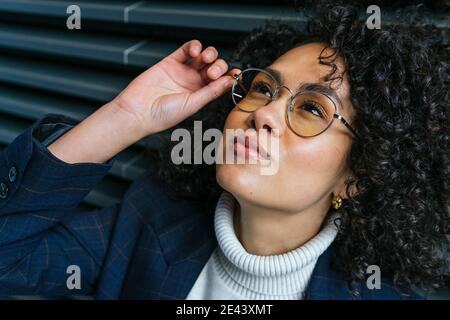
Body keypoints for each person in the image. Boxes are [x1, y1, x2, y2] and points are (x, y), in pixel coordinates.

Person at [0, 1, 447, 299]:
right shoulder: (149, 218)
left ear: (358, 177)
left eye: (312, 108)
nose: (265, 113)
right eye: (262, 89)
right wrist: (125, 117)